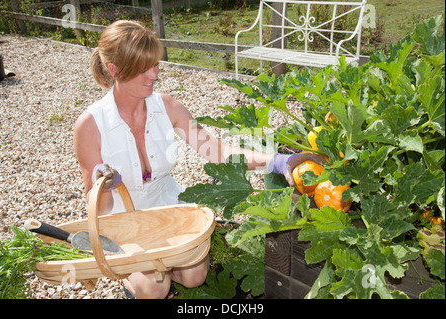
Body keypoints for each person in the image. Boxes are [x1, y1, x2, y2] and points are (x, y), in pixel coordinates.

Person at [73, 20, 320, 299]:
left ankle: (164, 271)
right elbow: (98, 208)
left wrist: (279, 162)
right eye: (144, 69)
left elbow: (217, 152)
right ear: (114, 70)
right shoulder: (90, 126)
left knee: (194, 276)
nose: (154, 74)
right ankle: (136, 282)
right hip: (123, 225)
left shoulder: (167, 107)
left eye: (156, 64)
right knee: (153, 287)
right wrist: (103, 186)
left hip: (167, 210)